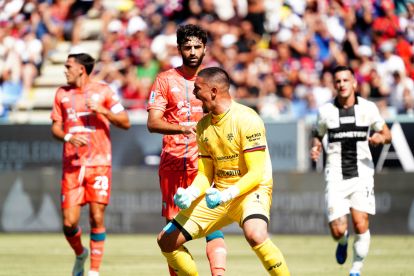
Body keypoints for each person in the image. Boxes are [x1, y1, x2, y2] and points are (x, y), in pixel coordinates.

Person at [157, 67, 291, 276]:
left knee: (255, 234)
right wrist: (191, 193)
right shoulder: (202, 126)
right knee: (165, 241)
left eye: (197, 90)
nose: (194, 95)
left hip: (251, 192)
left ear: (213, 91)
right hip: (219, 194)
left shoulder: (247, 118)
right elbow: (204, 175)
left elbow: (256, 173)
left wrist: (226, 194)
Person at [147, 24, 227, 276]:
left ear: (205, 49)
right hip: (172, 164)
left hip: (205, 165)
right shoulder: (164, 80)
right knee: (171, 233)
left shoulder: (213, 80)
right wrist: (182, 128)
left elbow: (225, 116)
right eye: (187, 47)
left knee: (212, 224)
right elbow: (153, 122)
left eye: (197, 47)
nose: (192, 51)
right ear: (180, 49)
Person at [51, 53, 130, 276]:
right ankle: (80, 254)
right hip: (73, 165)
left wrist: (102, 110)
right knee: (69, 223)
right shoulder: (61, 93)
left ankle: (94, 271)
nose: (65, 70)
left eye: (69, 66)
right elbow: (55, 127)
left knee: (97, 217)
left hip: (99, 163)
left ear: (81, 70)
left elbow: (125, 122)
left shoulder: (103, 91)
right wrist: (68, 136)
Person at [310, 65, 392, 276]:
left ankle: (356, 269)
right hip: (335, 173)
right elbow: (317, 134)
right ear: (334, 85)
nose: (342, 84)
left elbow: (387, 134)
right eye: (338, 81)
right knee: (338, 230)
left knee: (360, 222)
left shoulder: (368, 108)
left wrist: (380, 138)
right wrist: (316, 146)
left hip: (362, 172)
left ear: (354, 83)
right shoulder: (325, 111)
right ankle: (343, 240)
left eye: (346, 80)